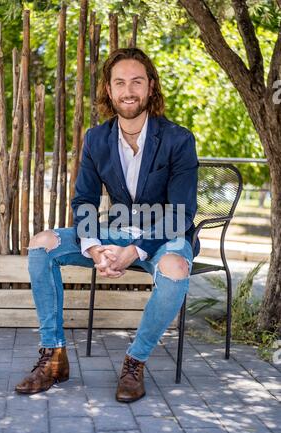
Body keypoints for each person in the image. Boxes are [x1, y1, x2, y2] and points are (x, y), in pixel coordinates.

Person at [15, 47, 199, 403]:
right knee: (42, 244)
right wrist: (95, 248)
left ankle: (135, 361)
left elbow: (180, 213)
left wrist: (133, 251)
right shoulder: (96, 138)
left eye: (136, 82)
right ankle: (53, 356)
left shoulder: (178, 139)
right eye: (120, 82)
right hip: (114, 232)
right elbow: (84, 200)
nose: (128, 90)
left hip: (163, 237)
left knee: (175, 268)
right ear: (109, 90)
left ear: (150, 87)